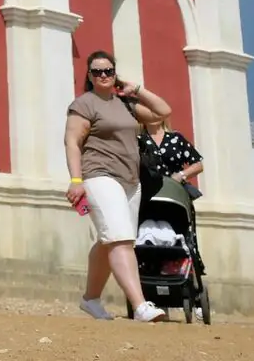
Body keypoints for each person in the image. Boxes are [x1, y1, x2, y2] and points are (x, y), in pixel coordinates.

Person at [65, 50, 175, 323]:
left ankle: (90, 299)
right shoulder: (83, 104)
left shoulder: (126, 104)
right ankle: (140, 306)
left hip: (130, 180)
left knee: (109, 240)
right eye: (97, 71)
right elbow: (72, 143)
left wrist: (136, 89)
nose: (103, 75)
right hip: (99, 175)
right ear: (89, 76)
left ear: (115, 74)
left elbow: (163, 112)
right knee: (120, 239)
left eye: (108, 71)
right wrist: (76, 180)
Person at [138, 115, 204, 200]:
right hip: (149, 195)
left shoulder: (176, 138)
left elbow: (198, 165)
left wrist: (181, 175)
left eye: (156, 113)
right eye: (149, 114)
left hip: (175, 192)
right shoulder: (138, 140)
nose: (153, 116)